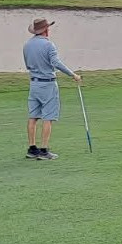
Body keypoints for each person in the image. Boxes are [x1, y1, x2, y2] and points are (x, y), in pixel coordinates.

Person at [23, 17, 82, 160]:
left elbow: (27, 64)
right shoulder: (49, 45)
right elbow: (56, 63)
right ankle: (44, 150)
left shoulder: (27, 45)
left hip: (34, 83)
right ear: (46, 29)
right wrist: (73, 74)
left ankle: (32, 148)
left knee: (33, 116)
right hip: (48, 84)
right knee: (48, 117)